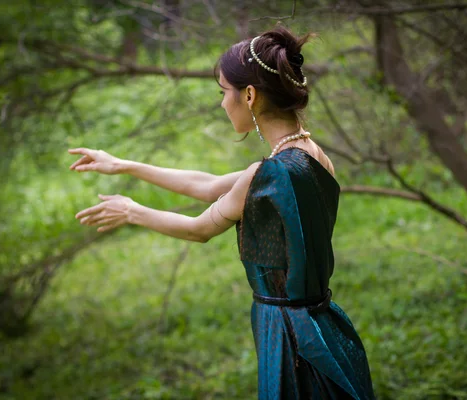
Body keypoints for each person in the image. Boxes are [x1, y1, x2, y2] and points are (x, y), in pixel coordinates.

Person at [68, 26, 377, 400]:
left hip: (289, 334)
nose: (221, 103)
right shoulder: (311, 156)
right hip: (321, 324)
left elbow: (199, 229)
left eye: (223, 92)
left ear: (249, 95)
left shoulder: (268, 173)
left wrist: (131, 210)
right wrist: (124, 165)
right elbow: (209, 185)